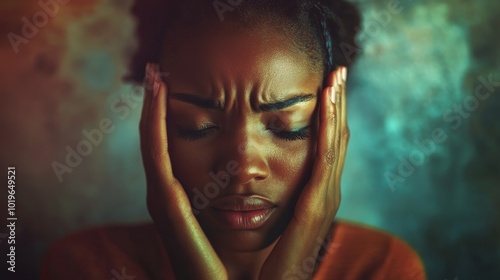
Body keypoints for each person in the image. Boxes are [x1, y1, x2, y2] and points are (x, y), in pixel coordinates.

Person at [41, 0, 427, 279]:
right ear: (153, 124)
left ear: (334, 124)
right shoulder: (85, 266)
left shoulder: (381, 267)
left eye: (288, 127)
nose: (242, 168)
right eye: (197, 125)